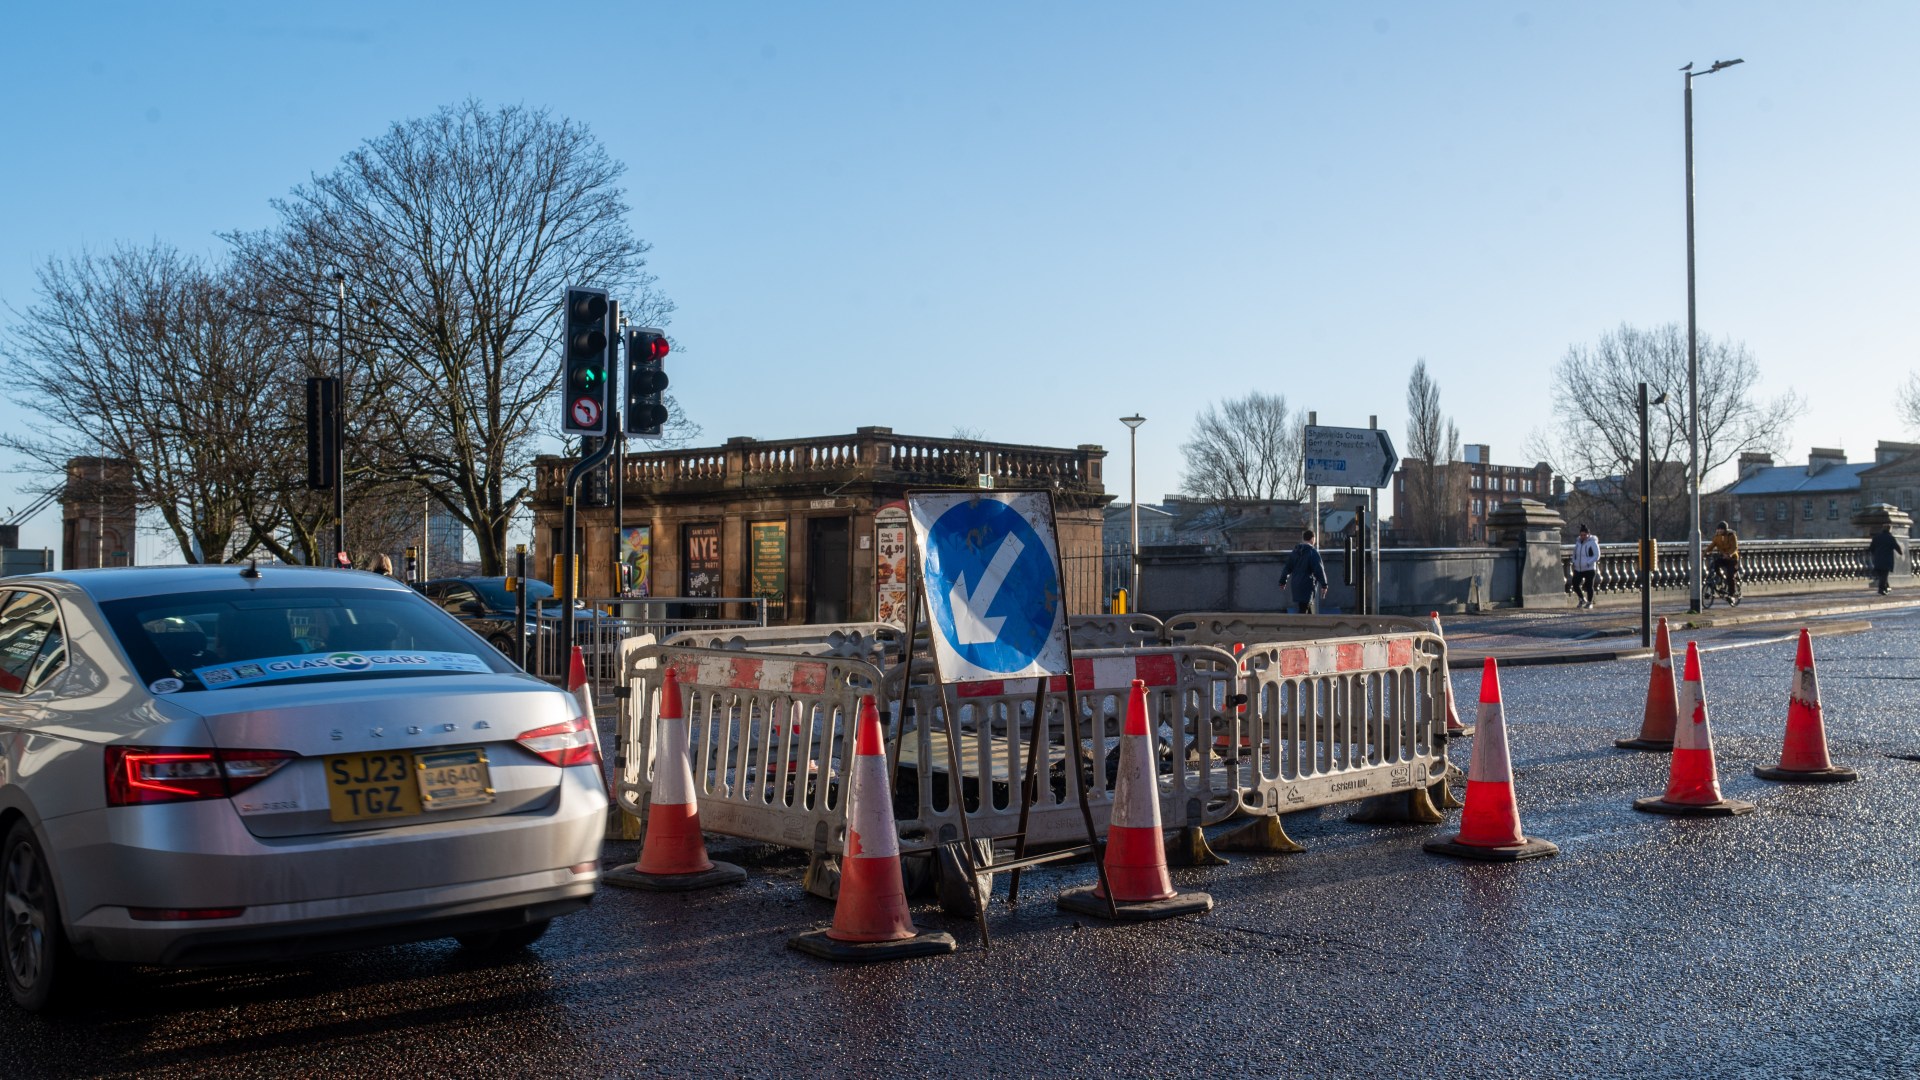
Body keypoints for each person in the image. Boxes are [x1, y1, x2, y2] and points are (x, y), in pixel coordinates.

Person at [1281, 529, 1329, 614]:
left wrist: (1283, 581)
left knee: (1305, 607)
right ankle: (1301, 626)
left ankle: (1309, 626)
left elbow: (1287, 568)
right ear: (1312, 539)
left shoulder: (1295, 552)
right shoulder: (1312, 552)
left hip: (1296, 584)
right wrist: (1324, 584)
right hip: (1307, 585)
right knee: (1304, 610)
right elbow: (1319, 569)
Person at [1709, 520, 1741, 600]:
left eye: (1721, 529)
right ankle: (1721, 578)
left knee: (1730, 576)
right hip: (1724, 557)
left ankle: (1731, 594)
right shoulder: (1717, 536)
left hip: (1732, 559)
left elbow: (1734, 548)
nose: (1719, 530)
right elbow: (1712, 545)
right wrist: (1704, 553)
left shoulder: (1731, 535)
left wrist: (1729, 554)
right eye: (1718, 529)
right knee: (1714, 565)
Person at [1570, 523, 1600, 609]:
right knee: (1575, 584)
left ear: (1588, 534)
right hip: (1578, 568)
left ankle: (1590, 602)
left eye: (1584, 535)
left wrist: (1588, 562)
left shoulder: (1592, 542)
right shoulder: (1578, 542)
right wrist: (1574, 561)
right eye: (1581, 535)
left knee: (1589, 586)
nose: (1583, 536)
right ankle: (1582, 599)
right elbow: (1574, 553)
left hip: (1589, 568)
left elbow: (1597, 555)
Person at [1868, 524, 1904, 595]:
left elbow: (1871, 548)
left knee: (1881, 575)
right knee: (1884, 575)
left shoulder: (1876, 537)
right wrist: (1900, 553)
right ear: (1890, 529)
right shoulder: (1890, 538)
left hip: (1877, 558)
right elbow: (1897, 547)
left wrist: (1875, 554)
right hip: (1887, 559)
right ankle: (1881, 589)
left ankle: (1886, 587)